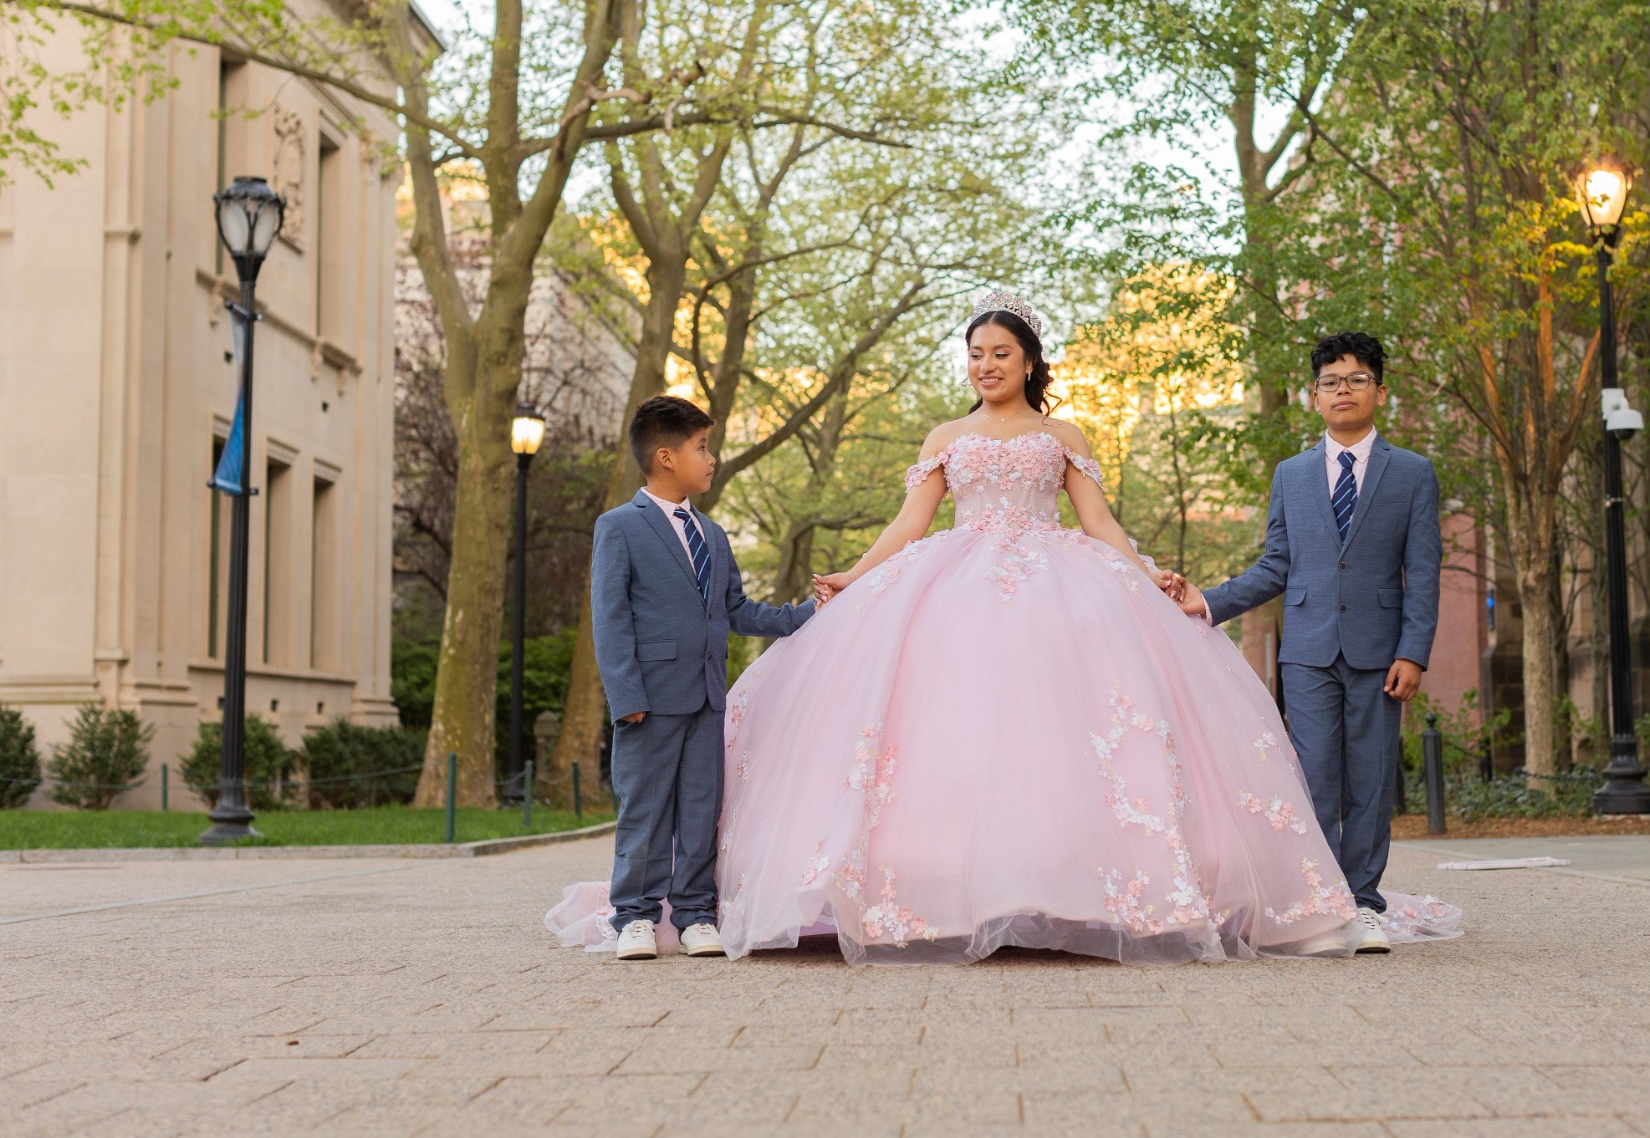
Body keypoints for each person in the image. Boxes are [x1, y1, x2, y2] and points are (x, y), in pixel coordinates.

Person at [546, 294, 1459, 963]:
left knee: (1073, 730)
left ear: (1028, 359)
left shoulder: (1065, 433)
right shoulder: (946, 435)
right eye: (975, 353)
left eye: (999, 352)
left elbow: (1098, 524)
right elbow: (911, 527)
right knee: (946, 732)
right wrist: (857, 577)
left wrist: (1146, 573)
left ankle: (1098, 885)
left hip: (1062, 584)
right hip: (953, 581)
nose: (984, 365)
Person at [1179, 333, 1442, 951]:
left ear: (1380, 390)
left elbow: (1423, 571)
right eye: (1330, 381)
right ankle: (1319, 902)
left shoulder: (1412, 474)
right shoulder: (1292, 474)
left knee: (1372, 779)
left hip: (1382, 652)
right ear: (1312, 395)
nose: (1342, 391)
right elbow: (1276, 565)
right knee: (1313, 777)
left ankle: (1365, 902)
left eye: (1355, 380)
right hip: (1307, 649)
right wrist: (1209, 602)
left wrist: (1414, 651)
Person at [587, 395, 814, 961]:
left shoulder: (712, 534)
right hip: (649, 699)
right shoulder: (619, 527)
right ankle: (634, 917)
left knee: (700, 808)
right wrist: (625, 697)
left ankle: (693, 913)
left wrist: (809, 614)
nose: (711, 459)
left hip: (708, 697)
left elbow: (737, 609)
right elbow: (610, 618)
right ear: (665, 457)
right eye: (702, 447)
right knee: (644, 808)